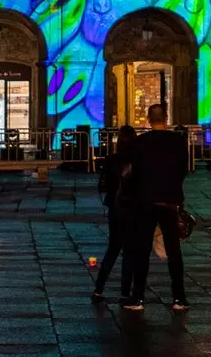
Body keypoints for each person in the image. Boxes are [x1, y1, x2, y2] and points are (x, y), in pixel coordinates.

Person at [124, 103, 190, 312]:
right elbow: (182, 170)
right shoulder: (178, 142)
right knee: (173, 250)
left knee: (142, 250)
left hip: (146, 201)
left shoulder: (140, 143)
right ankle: (179, 297)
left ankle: (138, 297)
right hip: (169, 201)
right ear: (167, 118)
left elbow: (135, 174)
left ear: (148, 119)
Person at [92, 126, 136, 303]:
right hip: (133, 209)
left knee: (113, 249)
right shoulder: (137, 161)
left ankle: (99, 289)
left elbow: (103, 185)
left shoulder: (111, 160)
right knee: (130, 252)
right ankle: (125, 291)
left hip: (115, 208)